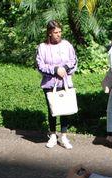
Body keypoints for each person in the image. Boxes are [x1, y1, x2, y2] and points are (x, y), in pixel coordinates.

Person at [36, 20, 77, 150]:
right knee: (52, 109)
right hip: (50, 83)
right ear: (49, 33)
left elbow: (74, 60)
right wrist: (55, 70)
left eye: (60, 32)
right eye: (55, 32)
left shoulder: (67, 45)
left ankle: (64, 136)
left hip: (65, 82)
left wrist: (64, 68)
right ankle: (53, 135)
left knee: (65, 109)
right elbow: (40, 65)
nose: (58, 35)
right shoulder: (42, 47)